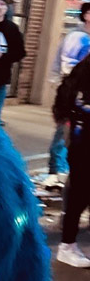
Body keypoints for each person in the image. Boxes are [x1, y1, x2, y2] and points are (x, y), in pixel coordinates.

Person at [42, 3, 90, 187]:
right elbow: (60, 60)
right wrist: (55, 80)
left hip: (86, 95)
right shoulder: (75, 37)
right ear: (85, 15)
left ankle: (69, 170)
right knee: (63, 130)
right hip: (71, 91)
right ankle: (55, 169)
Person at [52, 54, 90, 268]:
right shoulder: (85, 69)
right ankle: (67, 245)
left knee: (81, 189)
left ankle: (69, 244)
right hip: (83, 139)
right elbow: (68, 96)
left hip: (81, 136)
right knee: (80, 190)